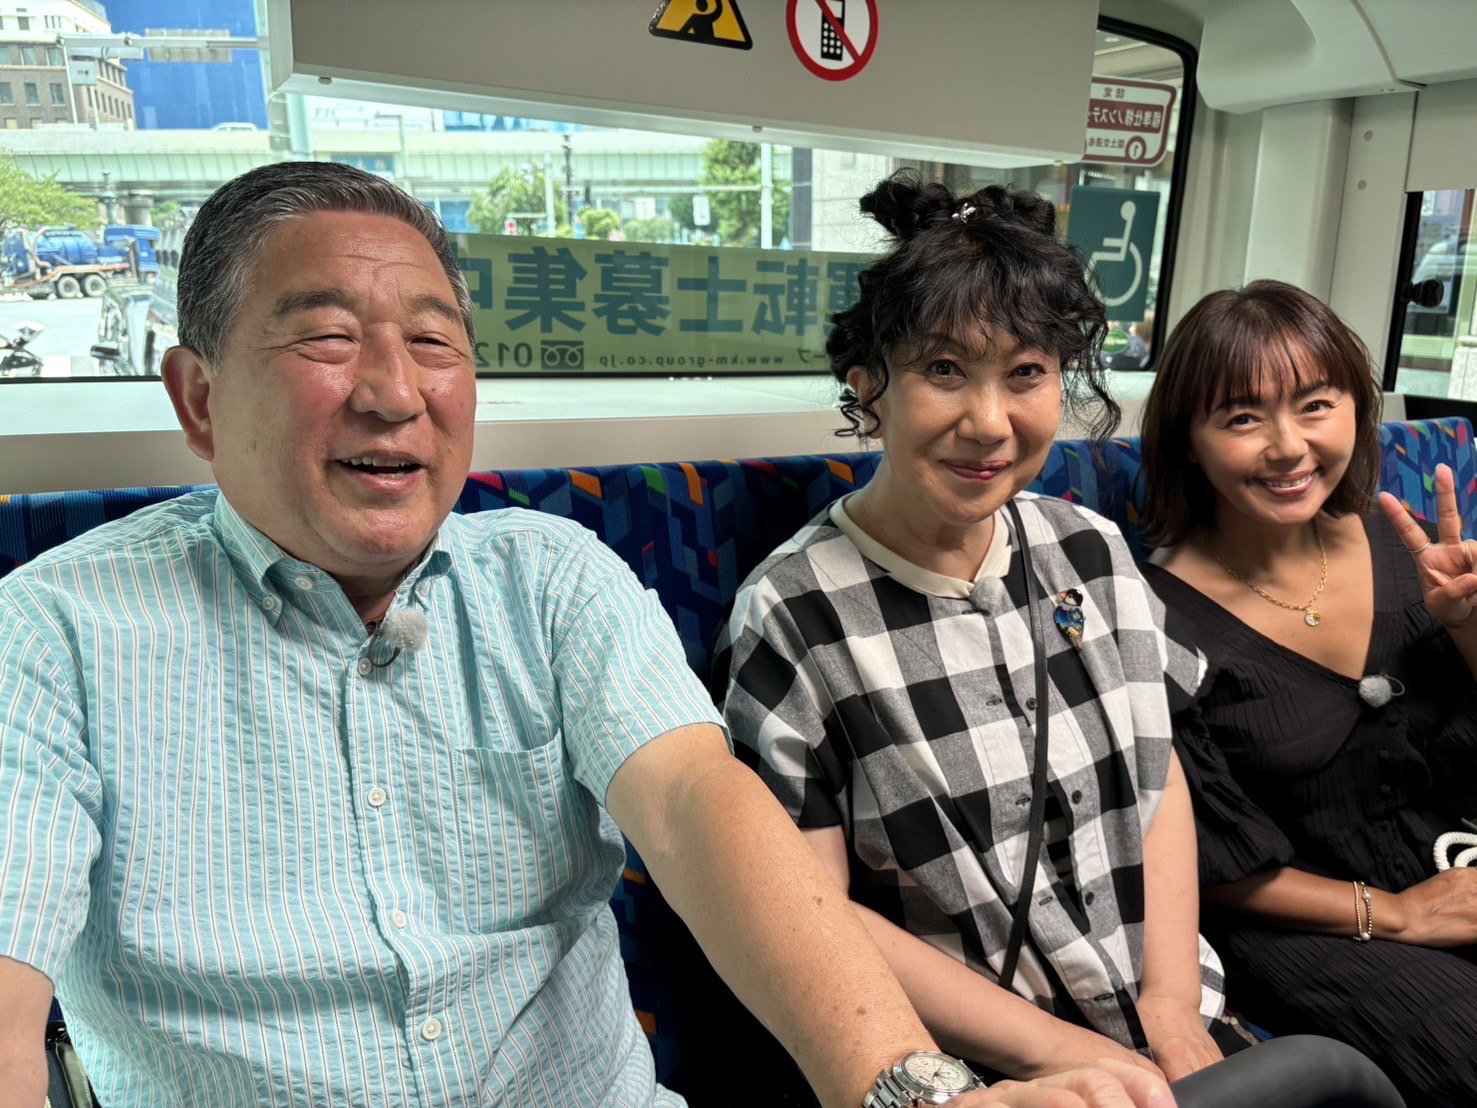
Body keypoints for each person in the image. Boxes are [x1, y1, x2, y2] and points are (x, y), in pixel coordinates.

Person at [0, 161, 1178, 1108]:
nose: (394, 392)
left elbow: (698, 803)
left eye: (433, 341)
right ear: (199, 398)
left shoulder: (550, 576)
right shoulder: (52, 636)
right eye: (326, 339)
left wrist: (902, 1086)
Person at [716, 174, 1238, 1094]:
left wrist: (1168, 1006)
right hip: (988, 1073)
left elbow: (1156, 779)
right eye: (945, 371)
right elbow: (811, 914)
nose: (989, 423)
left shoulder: (1089, 548)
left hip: (1173, 1024)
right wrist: (1062, 1054)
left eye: (1026, 373)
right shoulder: (792, 613)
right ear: (869, 389)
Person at [1137, 278, 1477, 1108]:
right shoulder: (1149, 613)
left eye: (1315, 405)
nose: (1288, 447)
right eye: (1241, 418)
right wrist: (1396, 914)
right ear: (1189, 443)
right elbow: (1195, 858)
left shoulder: (1409, 543)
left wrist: (1468, 626)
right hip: (1305, 922)